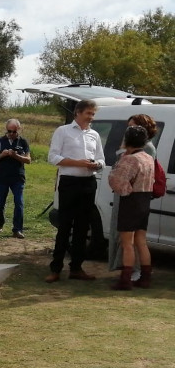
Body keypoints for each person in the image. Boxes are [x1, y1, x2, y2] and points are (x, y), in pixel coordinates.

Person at [46, 100, 104, 283]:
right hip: (69, 182)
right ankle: (56, 268)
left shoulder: (94, 134)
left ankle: (77, 268)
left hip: (88, 182)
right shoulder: (63, 131)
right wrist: (78, 163)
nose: (91, 117)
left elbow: (102, 159)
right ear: (77, 112)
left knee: (82, 226)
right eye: (88, 113)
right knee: (65, 226)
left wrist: (97, 164)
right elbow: (53, 157)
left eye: (93, 114)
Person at [107, 114, 158, 282]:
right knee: (141, 241)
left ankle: (125, 279)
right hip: (144, 201)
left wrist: (125, 189)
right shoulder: (148, 157)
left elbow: (117, 182)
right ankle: (146, 277)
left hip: (131, 202)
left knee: (127, 242)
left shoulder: (130, 158)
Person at [0, 119, 31, 239]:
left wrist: (16, 156)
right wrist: (3, 155)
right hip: (2, 177)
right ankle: (0, 222)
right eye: (9, 131)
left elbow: (28, 160)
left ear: (18, 130)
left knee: (19, 203)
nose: (11, 134)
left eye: (14, 131)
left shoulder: (23, 142)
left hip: (17, 177)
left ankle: (17, 229)